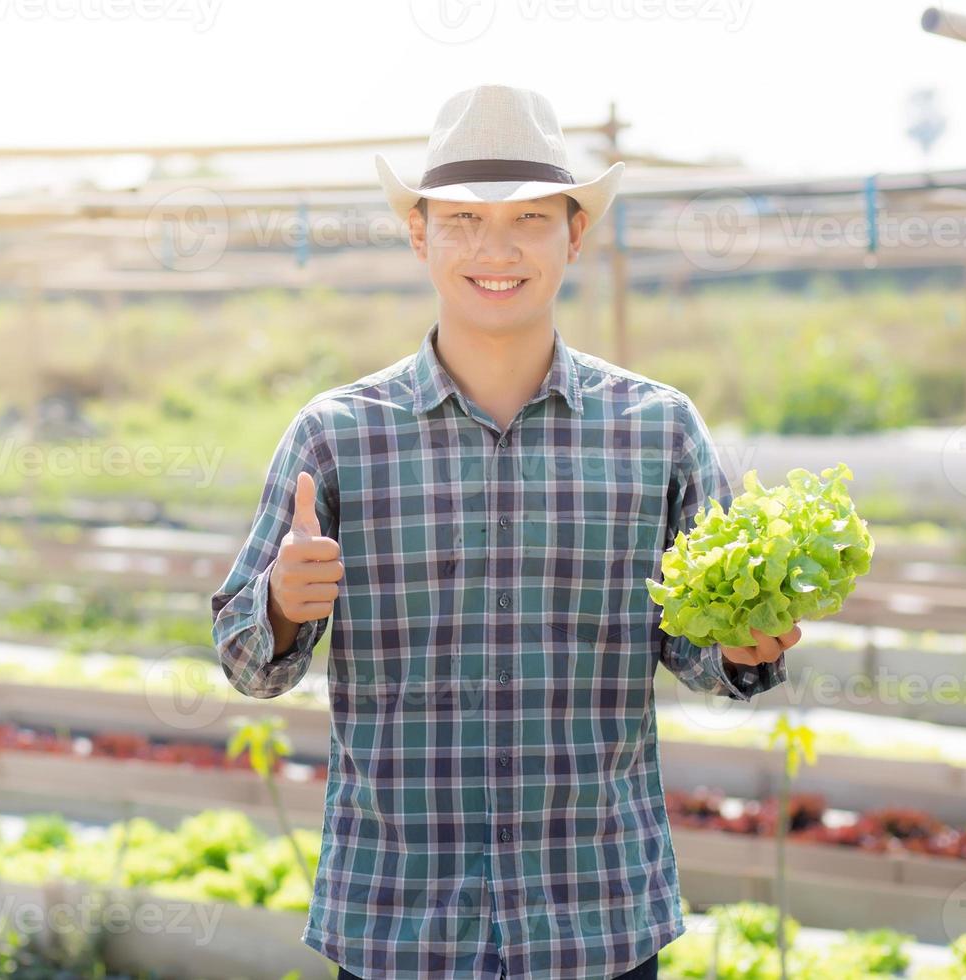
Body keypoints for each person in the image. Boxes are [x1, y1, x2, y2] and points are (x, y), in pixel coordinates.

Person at [210, 84, 801, 980]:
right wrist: (284, 605)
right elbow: (249, 661)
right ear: (420, 235)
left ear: (575, 234)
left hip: (595, 915)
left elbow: (698, 648)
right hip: (398, 921)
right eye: (462, 220)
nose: (497, 247)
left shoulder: (658, 429)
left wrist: (745, 642)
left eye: (529, 217)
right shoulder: (337, 435)